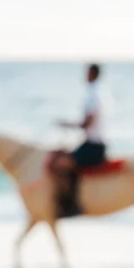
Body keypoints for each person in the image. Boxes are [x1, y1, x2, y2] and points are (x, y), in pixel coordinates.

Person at [51, 64, 109, 217]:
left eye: (87, 72)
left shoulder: (93, 94)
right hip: (92, 143)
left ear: (92, 74)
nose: (85, 75)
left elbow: (88, 123)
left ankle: (72, 204)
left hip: (94, 145)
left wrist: (67, 124)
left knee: (61, 164)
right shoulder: (98, 93)